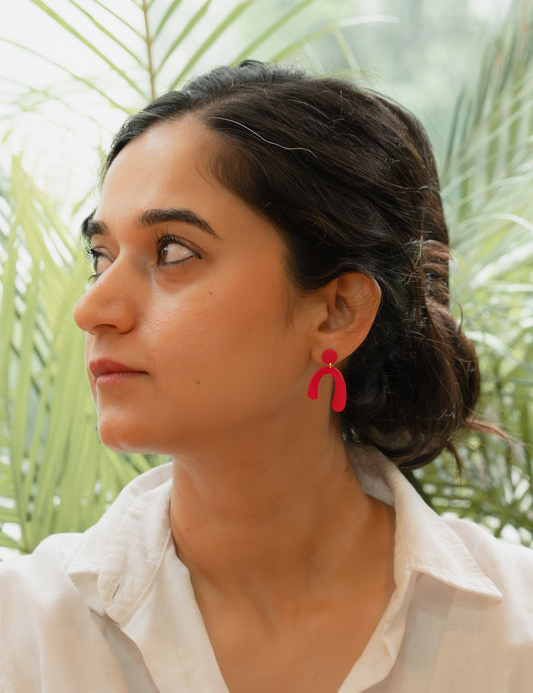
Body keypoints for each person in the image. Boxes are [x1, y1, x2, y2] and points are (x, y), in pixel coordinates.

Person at [0, 60, 532, 693]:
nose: (92, 310)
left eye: (173, 251)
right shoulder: (24, 633)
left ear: (338, 311)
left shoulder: (512, 634)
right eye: (101, 256)